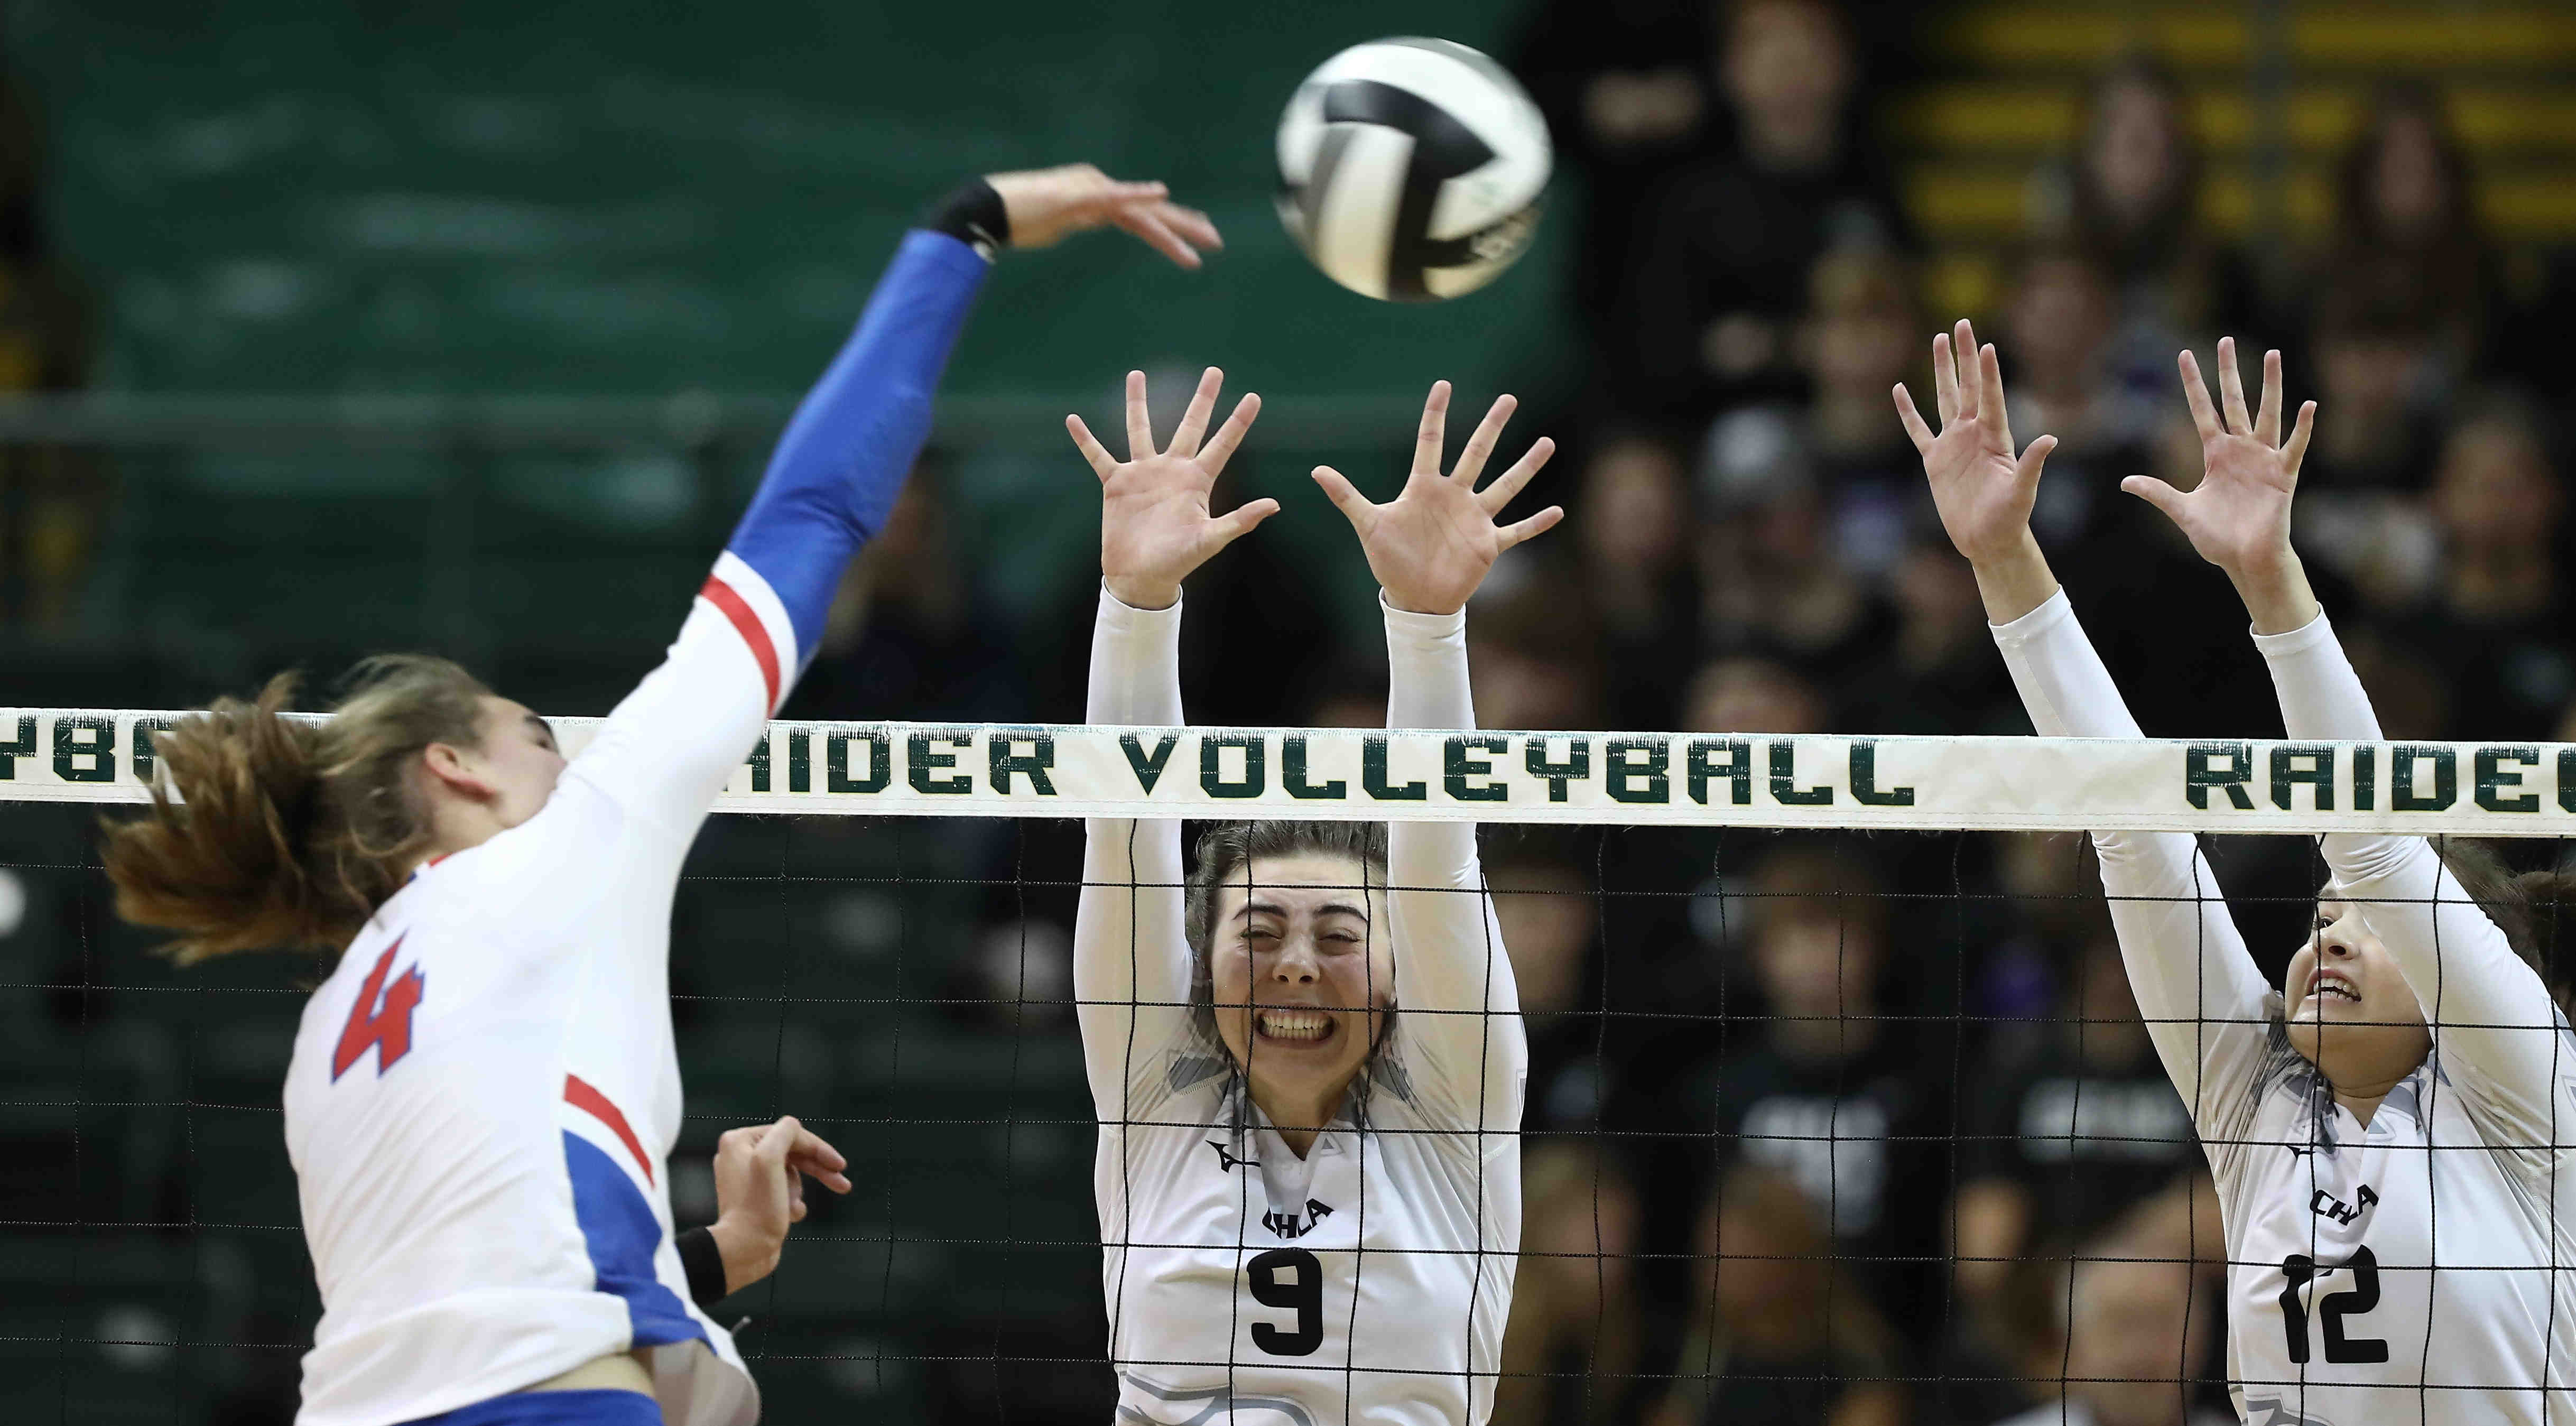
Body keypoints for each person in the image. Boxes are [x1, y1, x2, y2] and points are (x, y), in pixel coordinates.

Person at [98, 163, 1220, 1426]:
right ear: (454, 768)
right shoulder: (575, 839)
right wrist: (964, 229)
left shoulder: (330, 1034)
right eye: (537, 735)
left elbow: (480, 1308)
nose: (571, 757)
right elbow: (814, 511)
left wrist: (714, 1258)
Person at [1895, 320, 2576, 1423]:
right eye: (2320, 917)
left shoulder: (2529, 1098)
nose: (2330, 935)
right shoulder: (2257, 1111)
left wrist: (2270, 577)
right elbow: (2132, 825)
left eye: (2370, 923)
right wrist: (2003, 559)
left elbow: (2371, 837)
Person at [1064, 368, 1558, 1424]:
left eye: (1338, 934)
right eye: (1258, 931)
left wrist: (1426, 624)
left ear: (1397, 970)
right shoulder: (1157, 1095)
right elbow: (1125, 827)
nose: (1295, 964)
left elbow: (1438, 853)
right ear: (1202, 967)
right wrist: (1137, 604)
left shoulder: (1452, 1106)